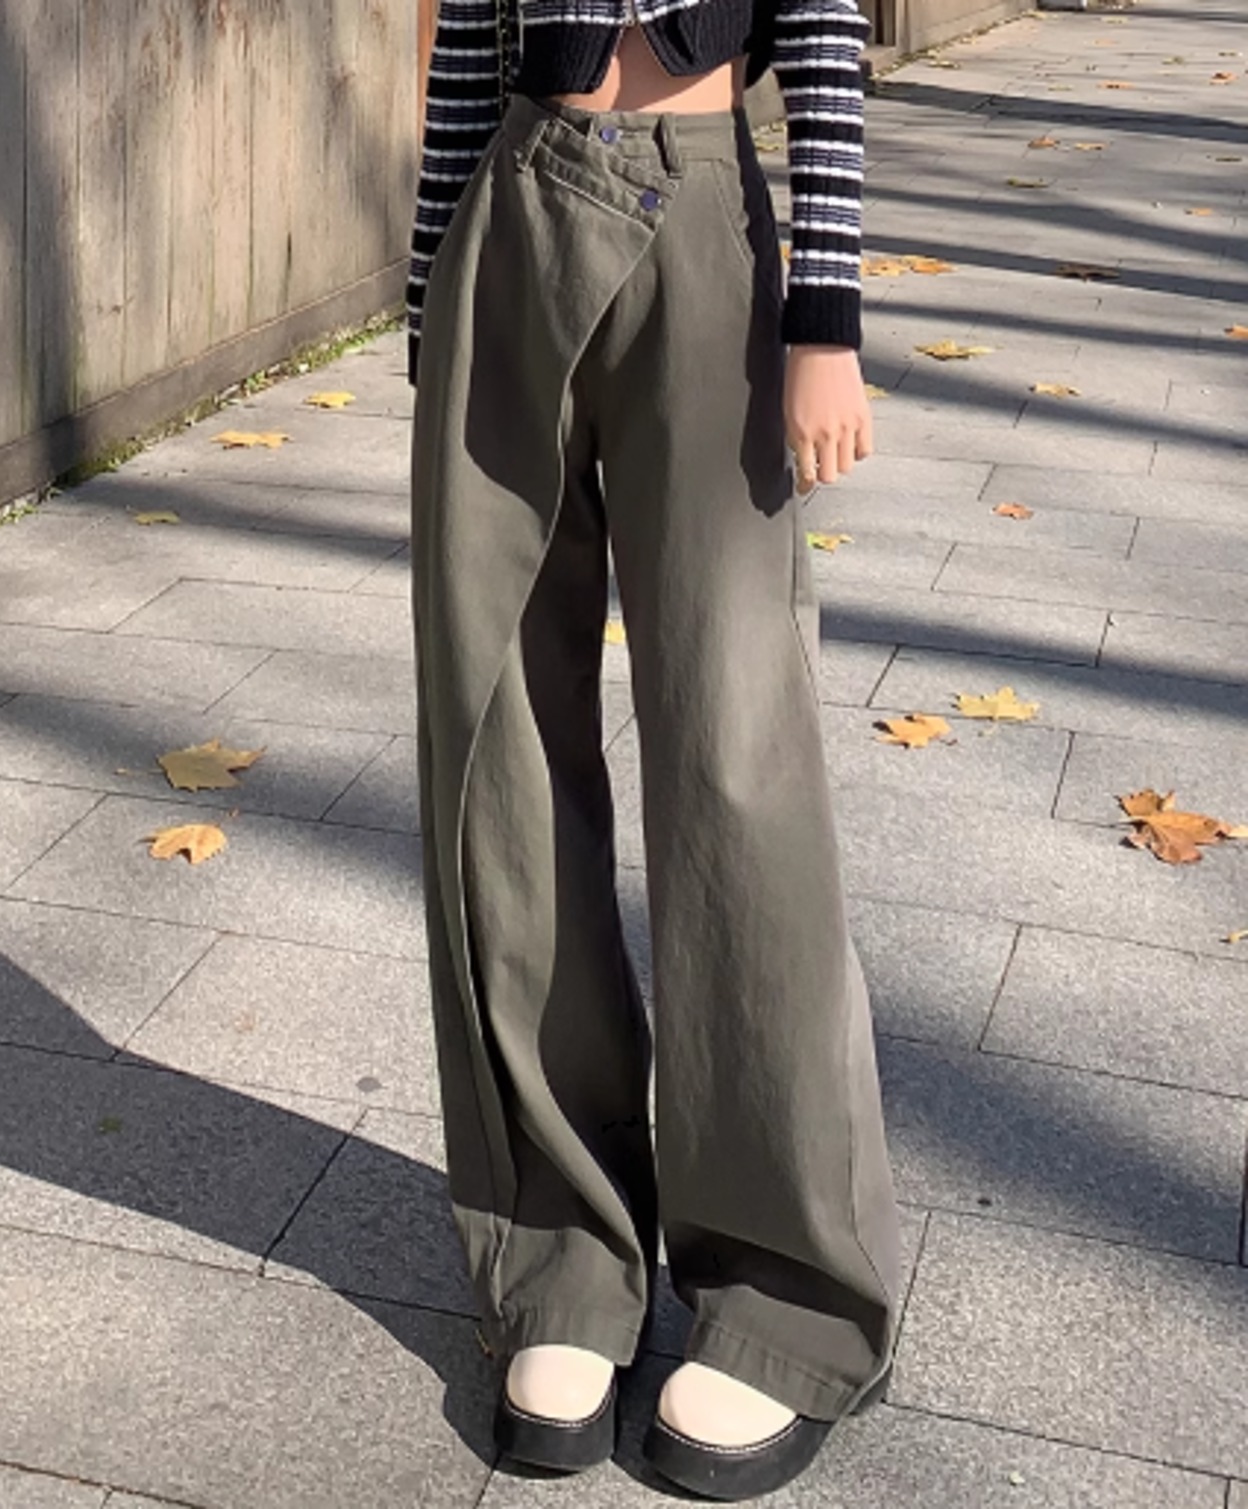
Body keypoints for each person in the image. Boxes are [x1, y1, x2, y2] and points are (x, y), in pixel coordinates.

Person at [406, 0, 899, 1497]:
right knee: (495, 738)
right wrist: (432, 289)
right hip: (511, 202)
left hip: (704, 216)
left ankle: (786, 1294)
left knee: (738, 754)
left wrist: (826, 315)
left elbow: (825, 24)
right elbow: (466, 41)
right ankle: (560, 1251)